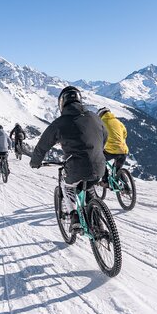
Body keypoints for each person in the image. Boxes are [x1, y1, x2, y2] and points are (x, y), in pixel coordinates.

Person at [30, 86, 108, 231]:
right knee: (89, 186)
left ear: (62, 103)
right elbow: (105, 135)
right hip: (100, 165)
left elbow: (42, 146)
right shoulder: (94, 116)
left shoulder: (60, 123)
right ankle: (100, 225)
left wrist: (35, 162)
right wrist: (97, 151)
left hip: (76, 169)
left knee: (67, 186)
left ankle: (74, 216)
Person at [97, 107, 129, 186]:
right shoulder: (118, 122)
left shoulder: (101, 123)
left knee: (100, 160)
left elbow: (98, 136)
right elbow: (125, 133)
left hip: (111, 150)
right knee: (118, 169)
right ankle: (126, 187)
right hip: (123, 150)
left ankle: (105, 181)